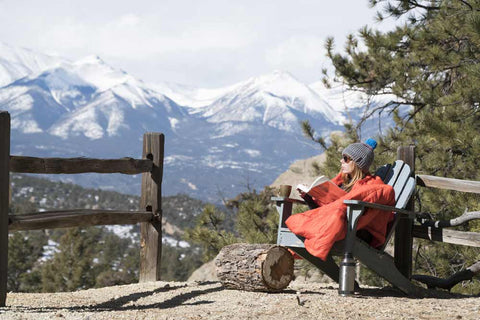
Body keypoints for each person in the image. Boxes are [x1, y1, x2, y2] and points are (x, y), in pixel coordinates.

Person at [285, 138, 396, 261]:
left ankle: (307, 249)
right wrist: (308, 197)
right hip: (341, 227)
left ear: (357, 162)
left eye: (346, 158)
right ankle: (300, 249)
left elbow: (384, 193)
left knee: (335, 216)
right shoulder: (343, 184)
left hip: (359, 232)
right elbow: (325, 211)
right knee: (333, 216)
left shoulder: (371, 187)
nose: (341, 161)